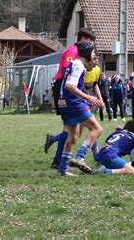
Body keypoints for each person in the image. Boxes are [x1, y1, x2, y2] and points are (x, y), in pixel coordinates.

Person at [45, 28, 95, 168]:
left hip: (68, 88)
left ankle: (59, 159)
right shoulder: (73, 51)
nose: (91, 46)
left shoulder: (76, 53)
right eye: (90, 42)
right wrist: (87, 96)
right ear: (83, 39)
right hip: (65, 88)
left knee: (72, 128)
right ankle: (62, 160)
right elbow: (69, 74)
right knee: (73, 128)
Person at [56, 41, 103, 177]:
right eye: (93, 53)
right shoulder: (78, 66)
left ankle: (63, 170)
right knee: (97, 129)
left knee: (73, 136)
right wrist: (89, 98)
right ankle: (80, 157)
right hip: (73, 104)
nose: (94, 55)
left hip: (64, 103)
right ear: (88, 53)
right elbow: (70, 86)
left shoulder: (74, 64)